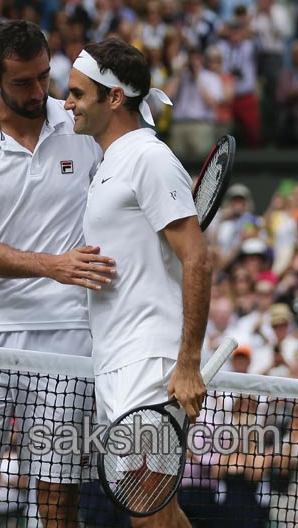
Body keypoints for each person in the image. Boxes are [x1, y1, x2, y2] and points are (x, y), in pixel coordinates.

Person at [0, 20, 111, 528]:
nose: (39, 92)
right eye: (22, 82)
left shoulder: (85, 124)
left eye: (43, 77)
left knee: (57, 502)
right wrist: (53, 265)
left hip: (69, 334)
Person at [65, 37, 210, 527]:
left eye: (77, 94)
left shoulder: (149, 157)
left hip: (150, 358)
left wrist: (187, 364)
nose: (67, 104)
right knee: (155, 512)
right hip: (116, 357)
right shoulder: (110, 163)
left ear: (113, 98)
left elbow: (198, 260)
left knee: (147, 510)